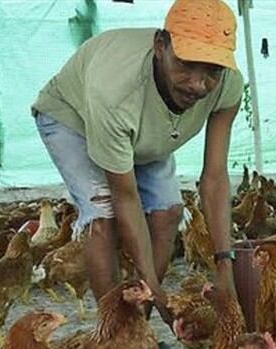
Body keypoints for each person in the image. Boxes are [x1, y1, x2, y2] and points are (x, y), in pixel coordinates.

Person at [31, 0, 243, 329]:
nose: (198, 84)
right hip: (73, 118)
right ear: (161, 45)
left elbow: (214, 178)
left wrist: (224, 266)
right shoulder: (115, 91)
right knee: (103, 215)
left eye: (211, 71)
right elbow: (125, 197)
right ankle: (113, 334)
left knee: (169, 212)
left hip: (143, 131)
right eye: (186, 64)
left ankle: (137, 330)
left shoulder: (227, 85)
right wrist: (159, 296)